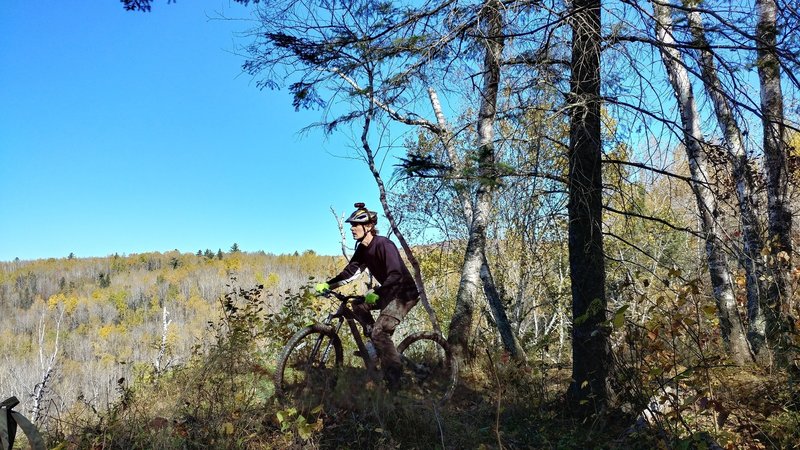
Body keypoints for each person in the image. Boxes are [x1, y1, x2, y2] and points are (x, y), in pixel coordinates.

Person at [314, 203, 419, 391]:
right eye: (351, 225)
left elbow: (396, 275)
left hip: (404, 294)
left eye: (355, 225)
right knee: (357, 305)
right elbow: (350, 272)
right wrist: (328, 284)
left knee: (380, 332)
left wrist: (376, 293)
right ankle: (375, 346)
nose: (352, 229)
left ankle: (395, 384)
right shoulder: (363, 249)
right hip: (387, 293)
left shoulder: (384, 245)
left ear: (368, 226)